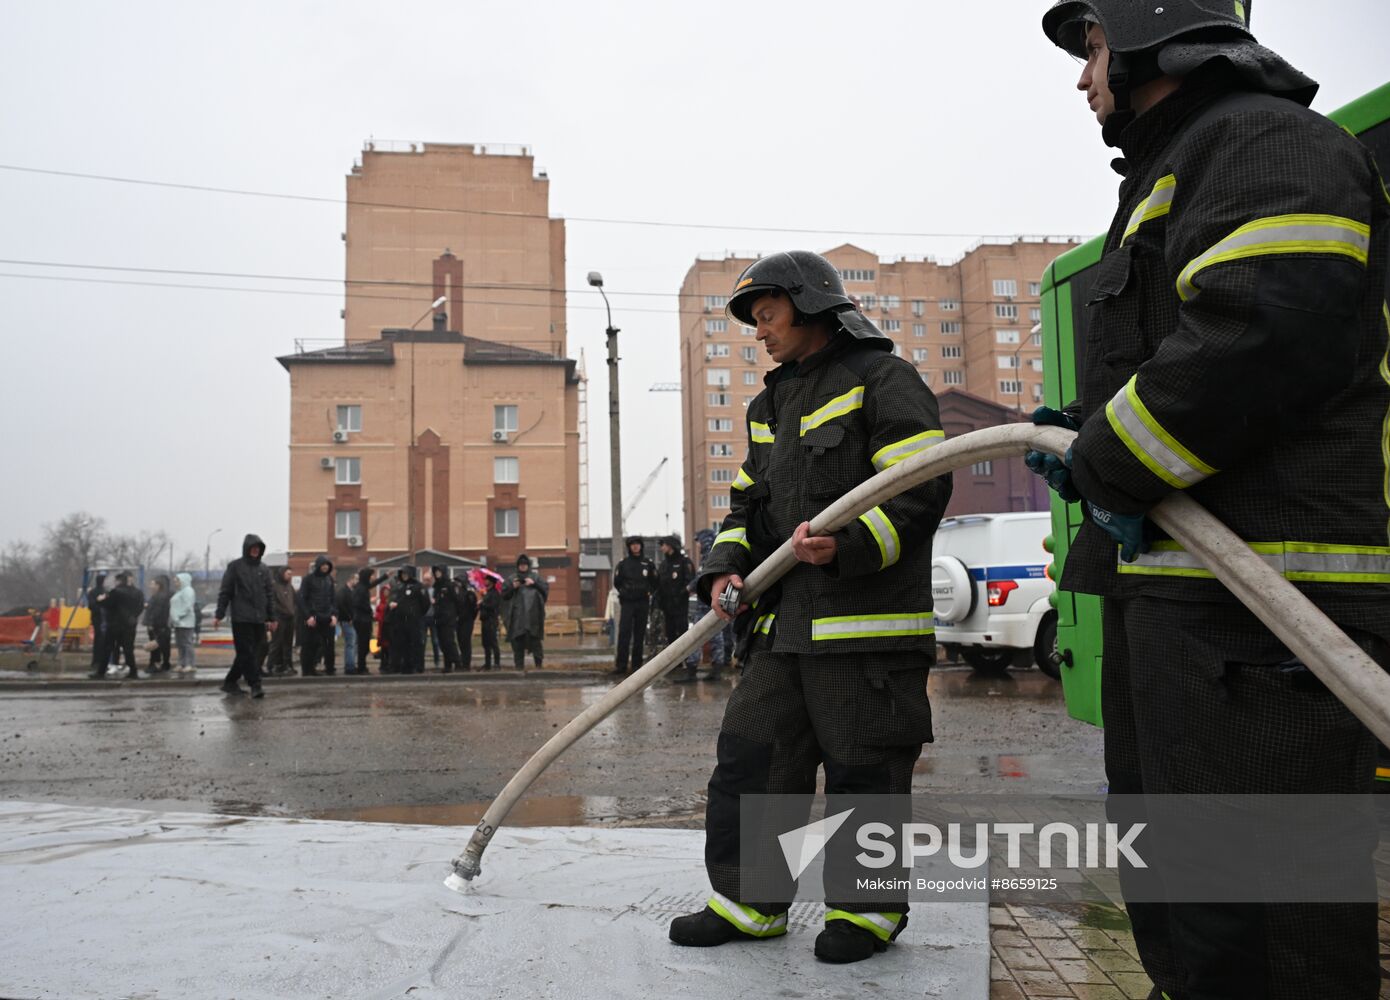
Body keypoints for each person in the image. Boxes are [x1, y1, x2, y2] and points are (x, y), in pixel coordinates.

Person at [1030, 5, 1390, 997]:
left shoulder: (1266, 143)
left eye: (1092, 47)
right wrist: (1087, 431)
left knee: (1272, 924)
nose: (1081, 77)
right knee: (1189, 896)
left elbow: (1261, 332)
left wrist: (1107, 459)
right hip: (1186, 606)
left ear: (1155, 34)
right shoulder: (1181, 166)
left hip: (1263, 615)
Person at [667, 251, 952, 964]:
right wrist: (723, 569)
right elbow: (746, 508)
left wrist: (849, 544)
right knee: (752, 756)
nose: (758, 333)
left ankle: (868, 912)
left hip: (865, 631)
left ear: (810, 305)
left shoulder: (885, 381)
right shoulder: (769, 406)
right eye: (754, 321)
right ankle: (749, 901)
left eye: (767, 316)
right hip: (783, 629)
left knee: (863, 768)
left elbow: (919, 487)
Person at [214, 534, 277, 697]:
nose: (255, 551)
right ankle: (255, 684)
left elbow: (269, 594)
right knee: (246, 652)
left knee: (252, 651)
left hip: (259, 618)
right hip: (241, 618)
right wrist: (219, 613)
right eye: (253, 548)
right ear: (247, 548)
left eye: (258, 548)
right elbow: (225, 591)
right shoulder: (235, 567)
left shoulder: (264, 569)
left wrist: (272, 617)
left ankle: (230, 682)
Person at [611, 536, 655, 676]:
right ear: (629, 547)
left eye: (637, 544)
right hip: (628, 602)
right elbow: (617, 582)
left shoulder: (647, 563)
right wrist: (625, 592)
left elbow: (655, 581)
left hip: (642, 602)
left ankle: (637, 666)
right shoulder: (624, 564)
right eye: (632, 545)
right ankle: (621, 665)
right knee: (624, 633)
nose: (635, 547)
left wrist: (648, 592)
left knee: (639, 634)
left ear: (641, 546)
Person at [656, 535, 697, 682]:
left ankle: (687, 661)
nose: (662, 548)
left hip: (680, 605)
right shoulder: (664, 564)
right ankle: (675, 662)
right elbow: (659, 584)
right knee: (670, 634)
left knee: (682, 633)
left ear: (671, 545)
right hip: (667, 606)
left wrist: (681, 594)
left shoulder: (684, 562)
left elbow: (691, 581)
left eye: (664, 545)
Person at [501, 554, 548, 670]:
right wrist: (513, 587)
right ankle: (519, 667)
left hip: (533, 617)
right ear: (518, 566)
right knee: (518, 643)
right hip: (517, 618)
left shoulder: (535, 578)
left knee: (535, 642)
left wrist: (534, 584)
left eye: (525, 565)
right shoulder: (511, 579)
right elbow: (504, 596)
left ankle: (538, 665)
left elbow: (545, 592)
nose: (523, 567)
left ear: (528, 566)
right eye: (521, 565)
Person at [297, 555, 338, 676]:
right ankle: (307, 670)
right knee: (309, 644)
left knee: (328, 644)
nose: (325, 567)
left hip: (327, 616)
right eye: (323, 564)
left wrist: (335, 615)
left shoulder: (329, 580)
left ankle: (329, 669)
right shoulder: (308, 579)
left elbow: (333, 599)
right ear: (318, 565)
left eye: (327, 565)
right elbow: (301, 599)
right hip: (312, 617)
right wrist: (308, 616)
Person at [388, 566, 430, 674]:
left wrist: (417, 613)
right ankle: (406, 666)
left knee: (416, 644)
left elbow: (425, 603)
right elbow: (396, 600)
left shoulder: (418, 586)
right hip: (402, 621)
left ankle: (418, 666)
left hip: (414, 621)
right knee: (404, 644)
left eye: (406, 574)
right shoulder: (400, 587)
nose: (404, 576)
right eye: (402, 574)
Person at [107, 571, 145, 679]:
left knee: (127, 647)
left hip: (126, 623)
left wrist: (133, 616)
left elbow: (140, 606)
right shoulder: (120, 591)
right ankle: (117, 664)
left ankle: (130, 667)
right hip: (123, 622)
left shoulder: (136, 592)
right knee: (117, 646)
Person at [429, 566, 463, 673]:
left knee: (449, 641)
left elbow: (457, 600)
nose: (437, 574)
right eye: (436, 572)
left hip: (448, 617)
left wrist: (454, 614)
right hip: (438, 617)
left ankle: (458, 663)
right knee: (442, 642)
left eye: (439, 572)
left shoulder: (450, 585)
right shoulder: (437, 586)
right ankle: (447, 664)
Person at [266, 566, 298, 676]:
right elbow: (272, 603)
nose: (290, 576)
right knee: (276, 643)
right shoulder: (274, 586)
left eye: (291, 574)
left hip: (290, 618)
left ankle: (288, 665)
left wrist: (293, 611)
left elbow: (295, 600)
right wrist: (274, 617)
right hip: (279, 618)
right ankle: (271, 666)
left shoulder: (289, 587)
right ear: (282, 574)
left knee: (288, 644)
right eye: (288, 574)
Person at [169, 572, 197, 675]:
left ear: (183, 580)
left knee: (187, 644)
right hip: (178, 623)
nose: (175, 582)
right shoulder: (179, 591)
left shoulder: (188, 591)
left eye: (177, 580)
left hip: (186, 622)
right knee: (180, 644)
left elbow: (188, 606)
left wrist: (178, 616)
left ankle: (190, 664)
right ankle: (182, 663)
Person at [350, 567, 376, 675]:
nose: (372, 578)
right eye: (371, 576)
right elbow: (357, 603)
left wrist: (386, 576)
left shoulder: (363, 586)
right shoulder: (361, 589)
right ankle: (361, 666)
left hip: (363, 619)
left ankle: (362, 665)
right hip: (362, 620)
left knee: (364, 644)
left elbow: (372, 584)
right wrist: (369, 610)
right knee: (363, 644)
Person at [144, 575, 172, 673]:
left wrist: (151, 623)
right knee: (163, 645)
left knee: (156, 646)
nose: (150, 586)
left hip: (158, 625)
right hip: (162, 625)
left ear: (158, 585)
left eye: (152, 584)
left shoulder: (159, 597)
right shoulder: (159, 596)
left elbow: (156, 612)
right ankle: (164, 664)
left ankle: (156, 664)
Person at [86, 572, 110, 679]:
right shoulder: (104, 592)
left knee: (99, 640)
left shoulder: (93, 592)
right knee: (103, 641)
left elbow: (91, 605)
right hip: (102, 618)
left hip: (98, 619)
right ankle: (99, 661)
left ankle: (97, 661)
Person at [336, 572, 358, 674]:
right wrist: (349, 618)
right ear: (351, 579)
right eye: (356, 579)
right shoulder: (343, 591)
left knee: (351, 643)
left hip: (349, 620)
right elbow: (340, 605)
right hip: (347, 621)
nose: (357, 582)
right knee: (351, 644)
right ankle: (350, 667)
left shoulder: (350, 591)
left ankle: (350, 664)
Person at [455, 574, 478, 670]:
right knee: (460, 641)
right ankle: (462, 661)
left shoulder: (469, 593)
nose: (457, 584)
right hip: (459, 621)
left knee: (465, 642)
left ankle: (466, 663)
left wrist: (471, 618)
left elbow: (474, 608)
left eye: (459, 582)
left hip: (467, 621)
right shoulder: (457, 594)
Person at [478, 579, 502, 670]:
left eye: (487, 580)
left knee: (493, 642)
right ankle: (487, 664)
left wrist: (482, 603)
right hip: (485, 620)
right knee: (486, 643)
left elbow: (493, 606)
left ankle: (497, 663)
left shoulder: (495, 593)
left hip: (491, 621)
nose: (485, 581)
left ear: (492, 582)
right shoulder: (487, 593)